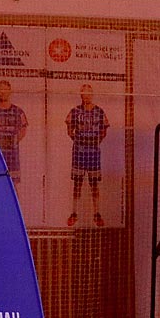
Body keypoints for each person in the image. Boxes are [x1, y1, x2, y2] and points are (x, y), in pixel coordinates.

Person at [65, 84, 109, 227]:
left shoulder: (99, 112)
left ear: (92, 94)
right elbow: (69, 128)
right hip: (79, 152)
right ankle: (74, 213)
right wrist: (78, 140)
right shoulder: (75, 111)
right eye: (84, 93)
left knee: (94, 184)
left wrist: (95, 141)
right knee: (77, 184)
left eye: (89, 93)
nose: (86, 96)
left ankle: (97, 214)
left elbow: (104, 130)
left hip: (94, 153)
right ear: (81, 95)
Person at [0, 80, 29, 185]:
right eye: (0, 89)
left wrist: (13, 141)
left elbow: (23, 128)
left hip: (12, 155)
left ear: (10, 91)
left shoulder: (18, 111)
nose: (3, 92)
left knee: (12, 184)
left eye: (5, 89)